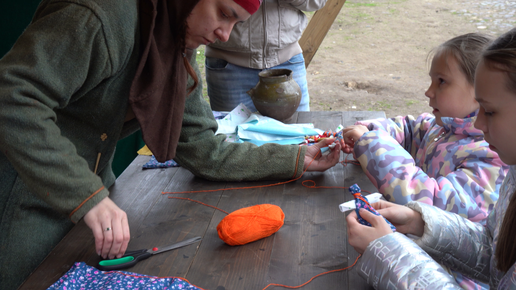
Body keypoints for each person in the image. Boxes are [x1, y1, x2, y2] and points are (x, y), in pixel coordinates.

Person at [0, 0, 342, 288]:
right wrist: (86, 197)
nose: (225, 34)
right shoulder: (99, 16)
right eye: (224, 13)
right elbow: (12, 98)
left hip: (93, 203)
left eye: (237, 23)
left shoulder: (172, 34)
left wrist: (295, 159)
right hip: (23, 196)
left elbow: (200, 145)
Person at [346, 27, 516, 289]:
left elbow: (432, 196)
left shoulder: (492, 158)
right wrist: (422, 223)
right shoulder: (512, 168)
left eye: (490, 111)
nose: (479, 122)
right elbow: (492, 252)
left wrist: (388, 253)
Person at [341, 33, 508, 223]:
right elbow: (409, 130)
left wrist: (372, 146)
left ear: (479, 90)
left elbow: (431, 203)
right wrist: (369, 130)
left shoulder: (490, 156)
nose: (428, 92)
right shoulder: (442, 127)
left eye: (441, 82)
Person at [205, 0, 327, 113]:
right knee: (232, 135)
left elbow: (317, 2)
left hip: (288, 61)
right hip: (228, 64)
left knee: (299, 134)